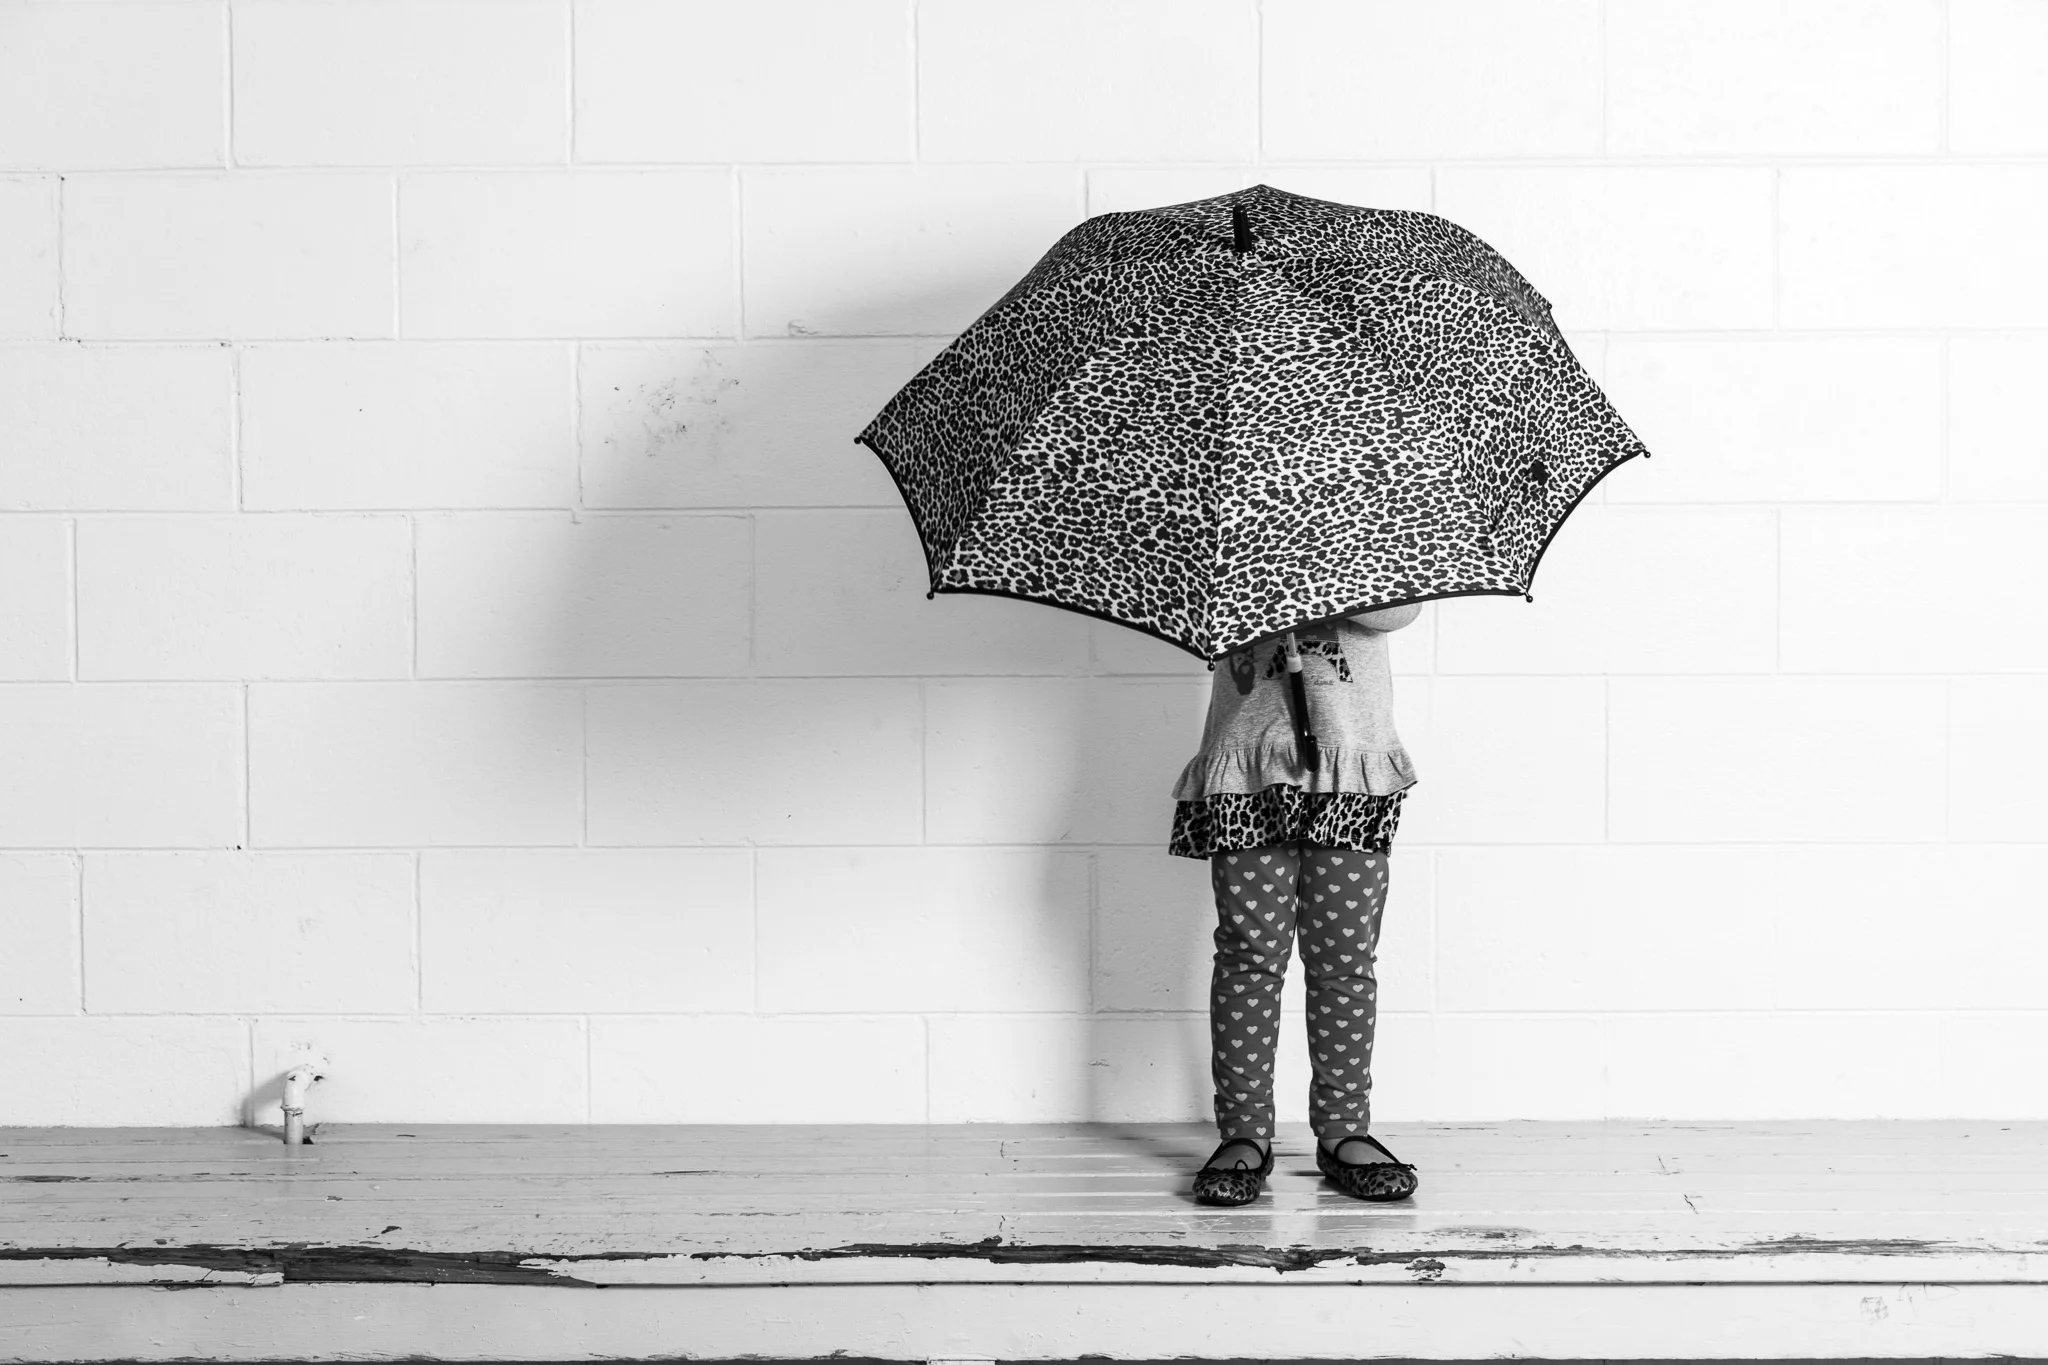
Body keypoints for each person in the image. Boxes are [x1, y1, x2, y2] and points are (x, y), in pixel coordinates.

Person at [1168, 603, 1425, 1206]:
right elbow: (1205, 622)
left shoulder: (1366, 542)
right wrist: (1266, 599)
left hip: (1350, 766)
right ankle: (1244, 1133)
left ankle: (1343, 1130)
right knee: (1248, 956)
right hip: (1247, 766)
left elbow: (1402, 612)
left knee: (1344, 960)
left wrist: (1320, 588)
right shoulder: (1236, 554)